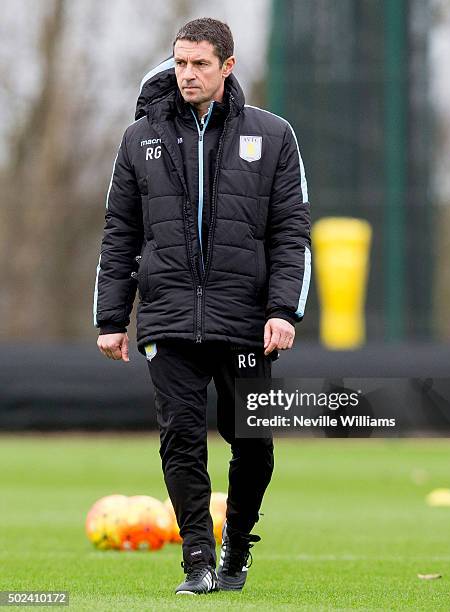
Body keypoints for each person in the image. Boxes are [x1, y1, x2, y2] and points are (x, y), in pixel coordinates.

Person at [93, 17, 311, 595]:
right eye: (180, 63)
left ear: (228, 67)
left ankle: (237, 547)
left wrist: (282, 311)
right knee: (181, 440)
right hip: (168, 319)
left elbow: (292, 234)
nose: (187, 74)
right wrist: (112, 319)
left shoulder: (273, 135)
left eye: (200, 64)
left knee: (254, 445)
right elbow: (120, 232)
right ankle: (197, 561)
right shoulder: (139, 138)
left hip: (245, 322)